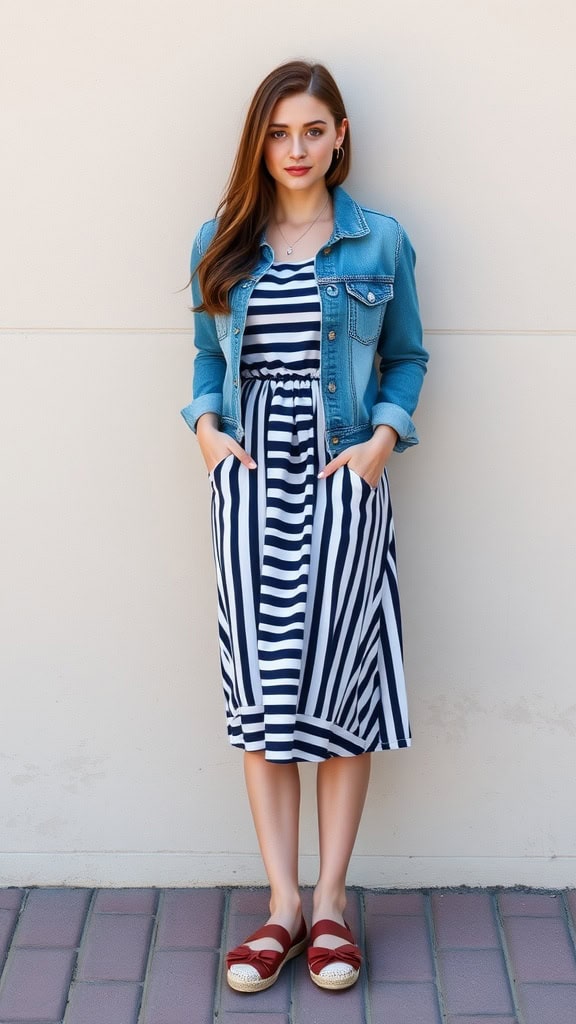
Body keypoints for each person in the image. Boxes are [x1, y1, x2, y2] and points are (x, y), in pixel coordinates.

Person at [181, 59, 428, 994]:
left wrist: (379, 445)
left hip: (341, 484)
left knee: (339, 690)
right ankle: (279, 904)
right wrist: (206, 434)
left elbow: (407, 358)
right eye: (280, 132)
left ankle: (331, 903)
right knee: (264, 694)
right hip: (249, 489)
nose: (296, 149)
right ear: (261, 140)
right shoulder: (222, 240)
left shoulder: (379, 242)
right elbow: (207, 360)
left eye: (313, 131)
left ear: (340, 134)